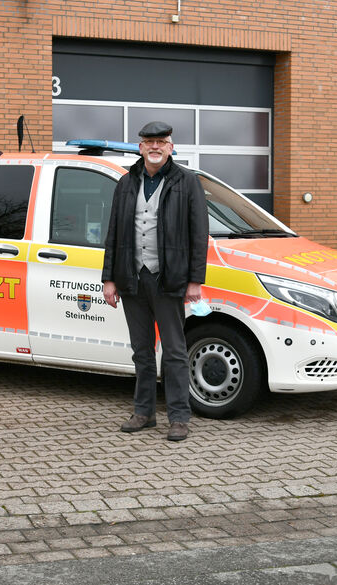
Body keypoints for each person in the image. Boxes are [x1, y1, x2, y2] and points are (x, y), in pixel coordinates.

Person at [102, 121, 208, 441]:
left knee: (174, 351)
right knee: (141, 350)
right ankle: (144, 412)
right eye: (149, 142)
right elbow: (114, 234)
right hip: (132, 278)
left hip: (169, 279)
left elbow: (199, 235)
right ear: (141, 147)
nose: (155, 147)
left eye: (161, 142)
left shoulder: (187, 182)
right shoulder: (126, 182)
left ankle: (178, 417)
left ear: (171, 147)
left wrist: (194, 281)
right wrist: (109, 279)